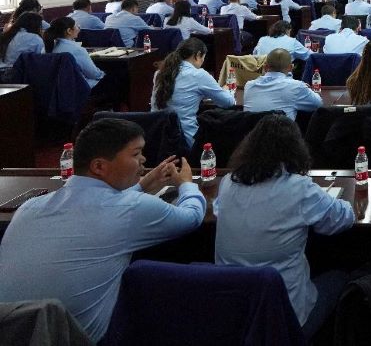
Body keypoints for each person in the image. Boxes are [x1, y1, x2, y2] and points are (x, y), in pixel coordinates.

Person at [0, 118, 205, 343]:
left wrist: (142, 186)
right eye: (136, 154)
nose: (144, 160)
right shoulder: (131, 208)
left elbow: (100, 207)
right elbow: (192, 217)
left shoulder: (29, 207)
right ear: (99, 166)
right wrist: (186, 184)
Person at [214, 115, 354, 338]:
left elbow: (218, 210)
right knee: (342, 276)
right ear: (295, 150)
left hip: (234, 316)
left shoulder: (228, 182)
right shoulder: (300, 188)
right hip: (287, 320)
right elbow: (343, 219)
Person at [151, 38, 235, 146]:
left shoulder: (159, 73)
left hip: (158, 139)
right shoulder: (198, 75)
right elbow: (228, 102)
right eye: (203, 58)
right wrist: (227, 90)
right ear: (198, 55)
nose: (202, 62)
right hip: (186, 140)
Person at [243, 49, 322, 120]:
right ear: (291, 68)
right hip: (281, 131)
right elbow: (318, 104)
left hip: (252, 132)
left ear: (265, 67)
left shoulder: (249, 86)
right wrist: (309, 90)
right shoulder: (297, 87)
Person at [44, 17, 105, 88]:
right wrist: (103, 73)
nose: (79, 28)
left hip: (57, 88)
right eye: (76, 26)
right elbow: (94, 74)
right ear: (69, 31)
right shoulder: (77, 50)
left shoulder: (46, 48)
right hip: (79, 88)